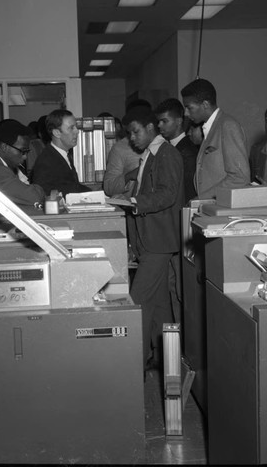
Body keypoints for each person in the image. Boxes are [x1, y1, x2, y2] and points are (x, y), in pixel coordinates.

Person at [119, 106, 185, 374]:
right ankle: (168, 359)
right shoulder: (150, 155)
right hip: (149, 241)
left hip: (159, 240)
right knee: (158, 305)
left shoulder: (167, 154)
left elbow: (168, 194)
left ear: (150, 128)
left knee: (137, 302)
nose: (132, 138)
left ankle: (133, 362)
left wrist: (135, 201)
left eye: (135, 132)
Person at [180, 78, 250, 199]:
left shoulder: (227, 125)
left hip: (222, 209)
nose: (186, 113)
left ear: (205, 104)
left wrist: (202, 198)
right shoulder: (210, 128)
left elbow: (240, 178)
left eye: (189, 108)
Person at [0, 119, 45, 207]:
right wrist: (39, 189)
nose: (25, 157)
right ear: (4, 147)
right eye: (22, 151)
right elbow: (34, 197)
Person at [31, 109, 91, 196]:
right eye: (71, 128)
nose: (77, 131)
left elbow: (73, 186)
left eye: (76, 127)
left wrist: (98, 195)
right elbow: (44, 196)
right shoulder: (46, 161)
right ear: (56, 133)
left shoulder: (63, 154)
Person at [155, 98, 199, 204]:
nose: (159, 125)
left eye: (164, 121)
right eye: (158, 121)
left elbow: (188, 190)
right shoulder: (167, 147)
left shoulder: (187, 151)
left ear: (179, 121)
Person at [103, 116, 142, 197]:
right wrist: (130, 176)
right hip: (130, 206)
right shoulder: (120, 148)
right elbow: (109, 187)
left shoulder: (163, 145)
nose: (133, 137)